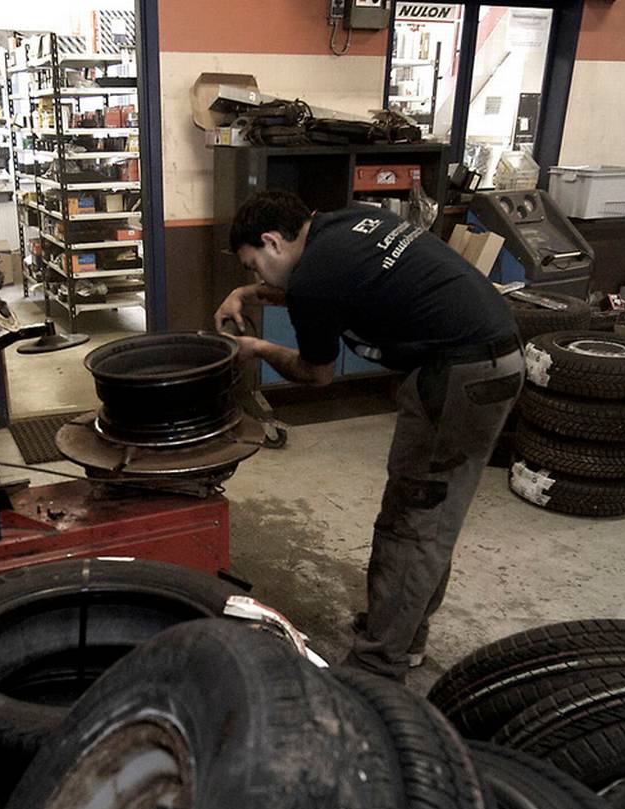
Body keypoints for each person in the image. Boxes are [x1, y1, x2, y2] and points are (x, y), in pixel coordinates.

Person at [215, 190, 522, 680]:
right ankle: (404, 635)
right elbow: (335, 286)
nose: (257, 277)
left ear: (273, 242)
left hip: (461, 376)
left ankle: (377, 668)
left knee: (413, 523)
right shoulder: (346, 221)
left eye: (254, 267)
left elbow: (317, 374)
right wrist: (248, 294)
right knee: (432, 515)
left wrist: (257, 348)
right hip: (491, 357)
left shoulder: (314, 280)